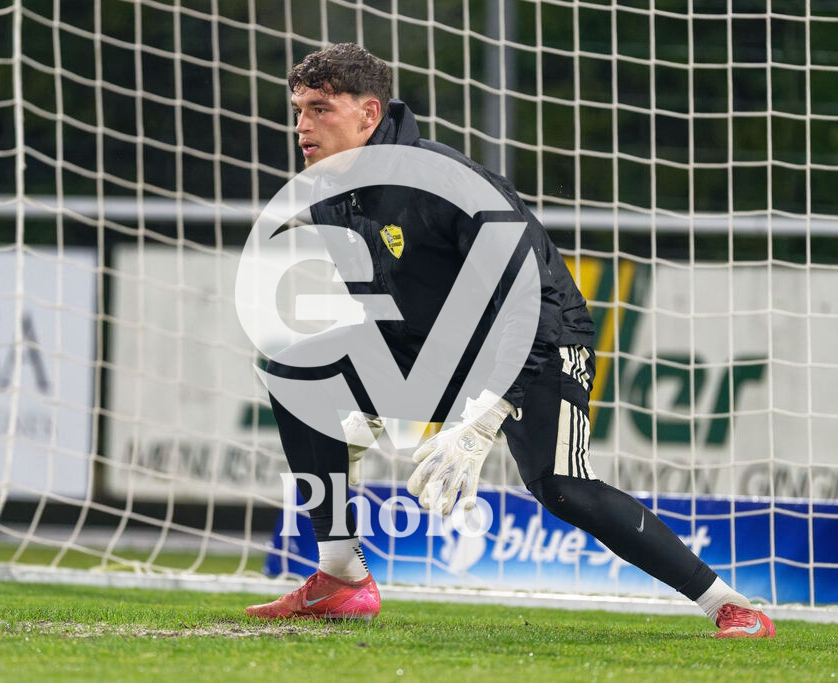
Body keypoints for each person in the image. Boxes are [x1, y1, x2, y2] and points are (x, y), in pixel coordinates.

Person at [245, 43, 774, 639]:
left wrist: (488, 411)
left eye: (320, 109)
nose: (302, 126)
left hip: (540, 340)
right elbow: (388, 298)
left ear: (369, 114)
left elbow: (533, 301)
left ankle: (731, 605)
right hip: (438, 350)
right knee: (298, 371)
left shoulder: (445, 182)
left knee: (562, 488)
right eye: (298, 110)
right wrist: (360, 398)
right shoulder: (327, 193)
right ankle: (341, 576)